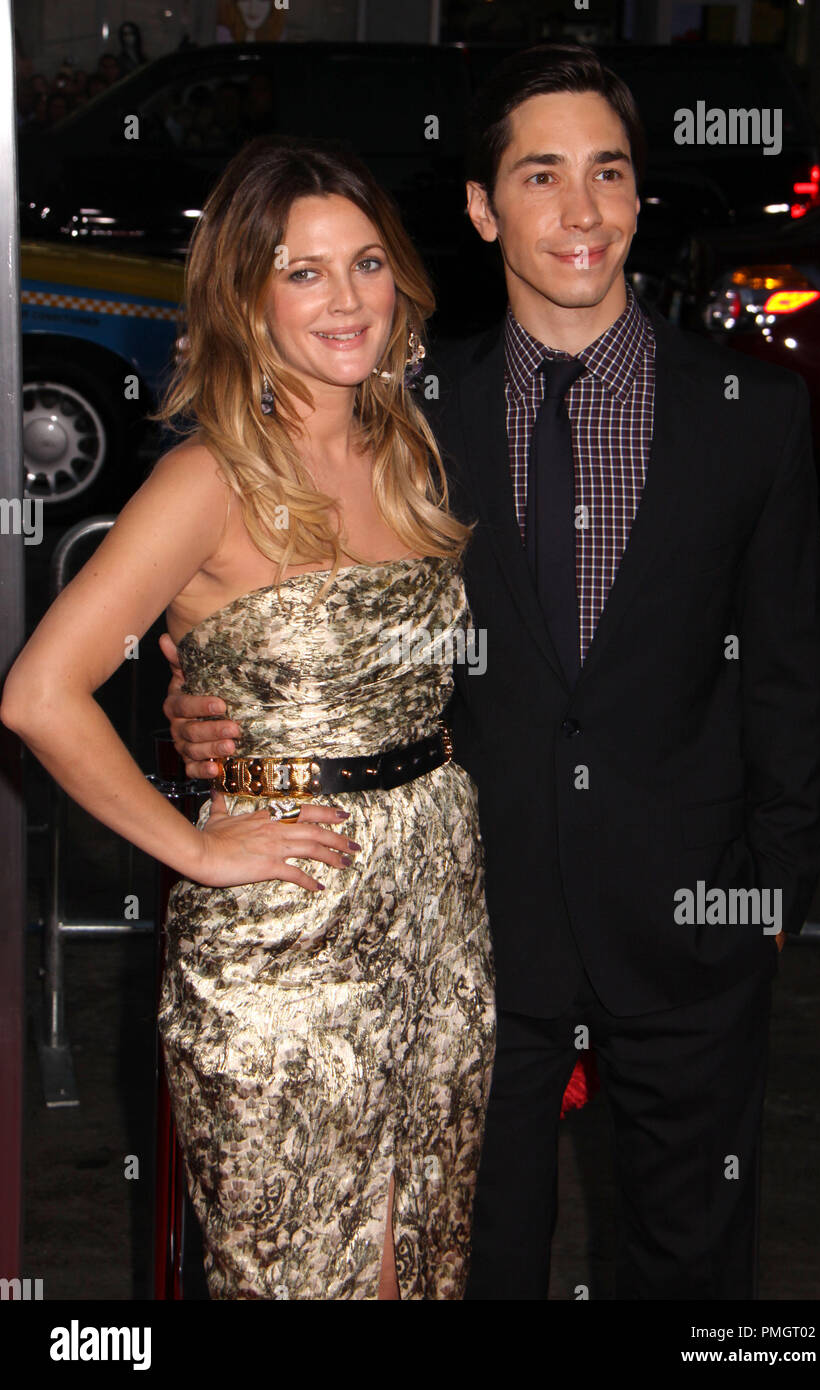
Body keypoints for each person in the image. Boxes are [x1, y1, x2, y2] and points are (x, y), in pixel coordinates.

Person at [164, 45, 820, 1301]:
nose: (579, 212)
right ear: (481, 208)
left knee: (692, 1269)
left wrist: (772, 903)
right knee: (476, 1268)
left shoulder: (752, 410)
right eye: (540, 175)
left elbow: (789, 679)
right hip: (465, 939)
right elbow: (268, 599)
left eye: (607, 173)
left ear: (638, 197)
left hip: (691, 932)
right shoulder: (402, 415)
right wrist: (206, 705)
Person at [1, 134, 496, 1300]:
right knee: (294, 1274)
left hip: (438, 907)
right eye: (303, 270)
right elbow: (37, 693)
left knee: (414, 1264)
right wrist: (188, 846)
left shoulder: (407, 448)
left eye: (365, 263)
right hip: (282, 929)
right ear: (245, 295)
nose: (346, 298)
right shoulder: (211, 477)